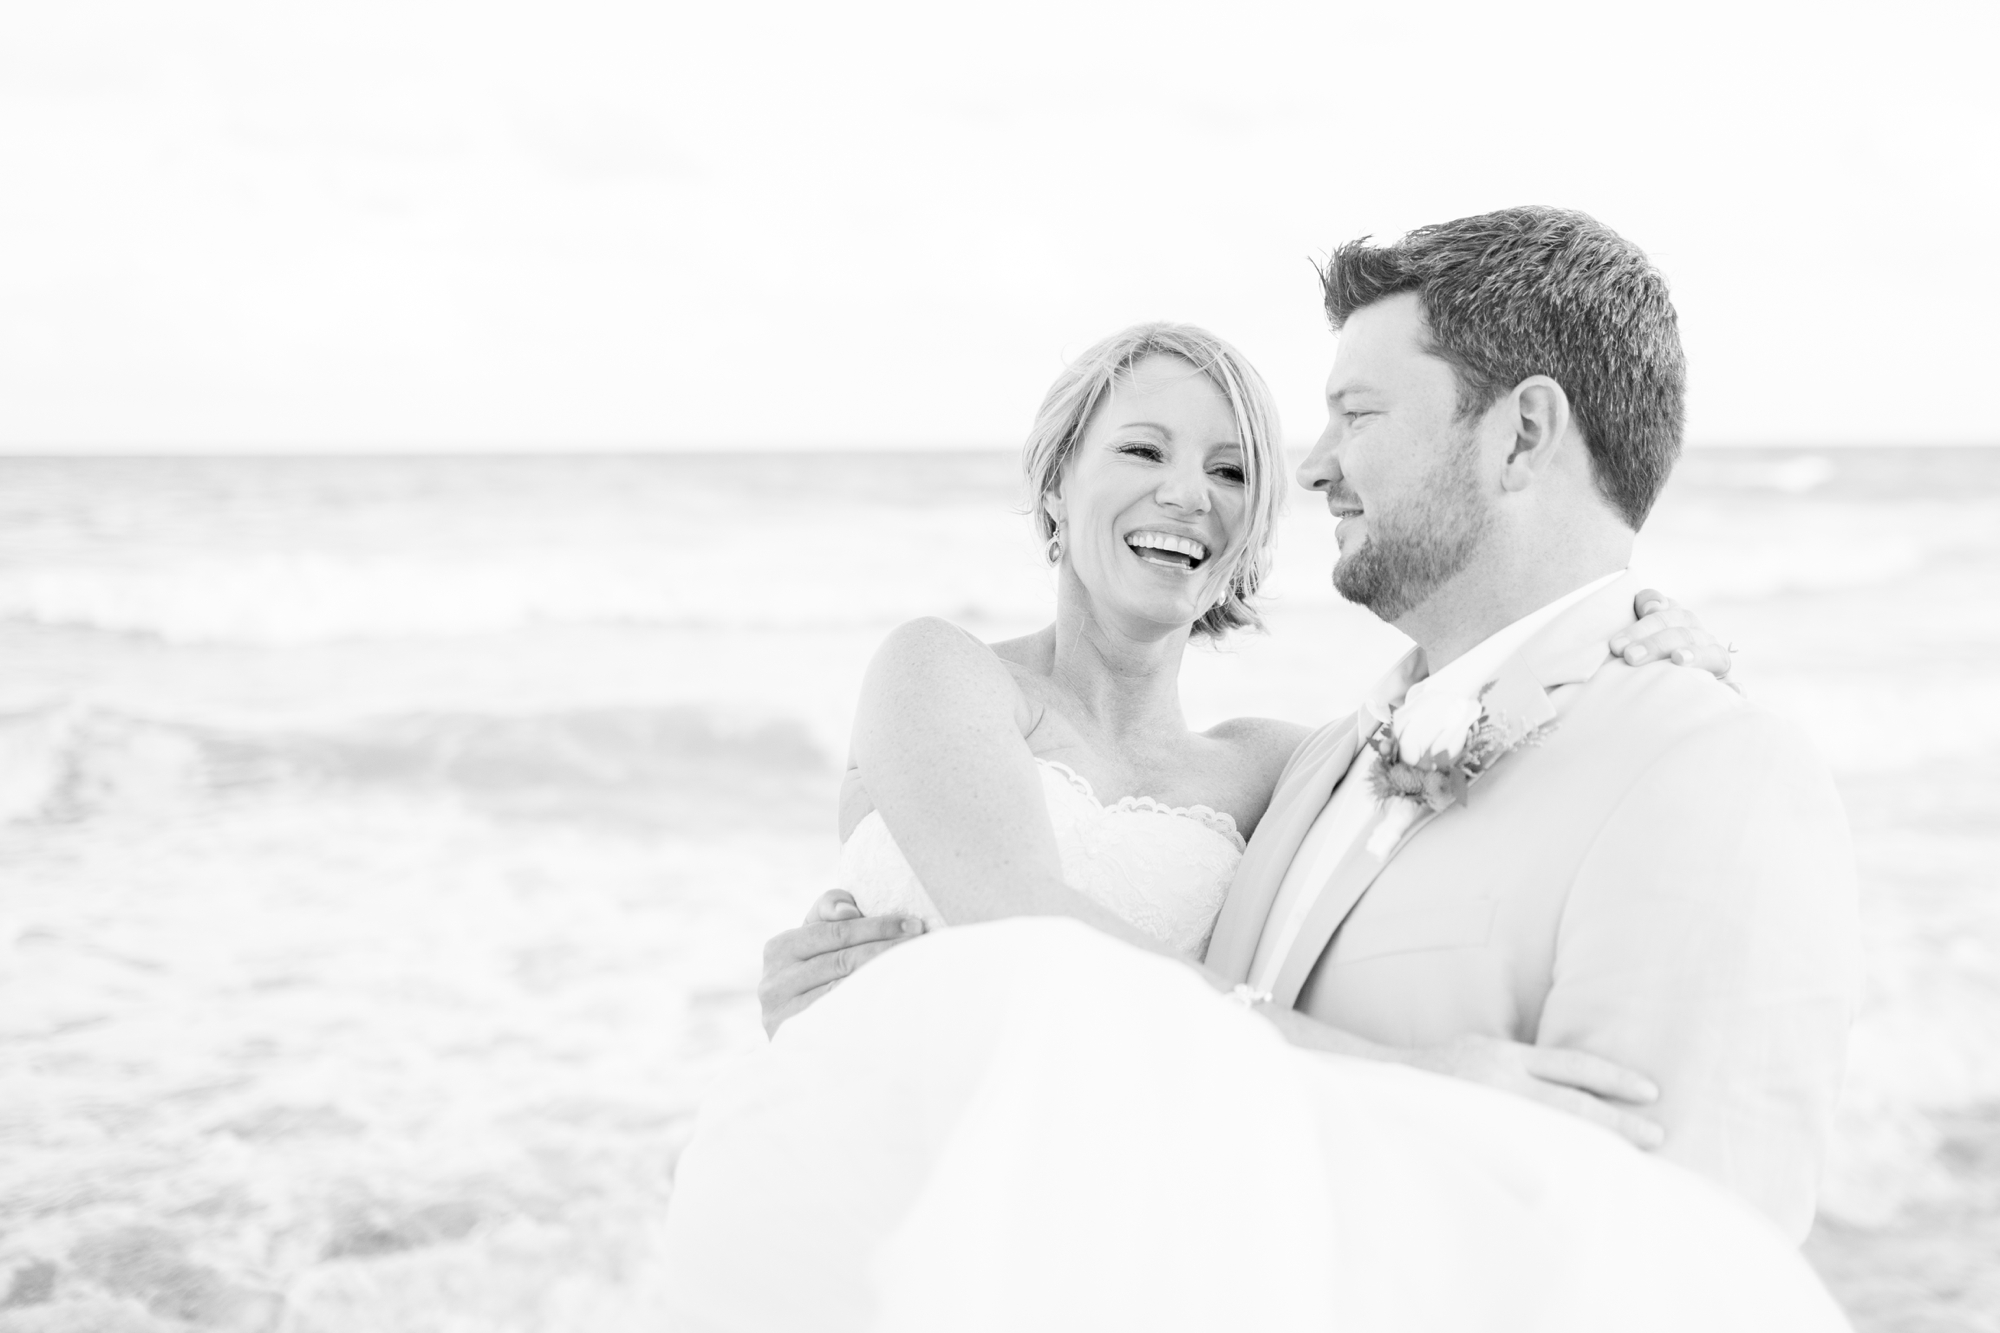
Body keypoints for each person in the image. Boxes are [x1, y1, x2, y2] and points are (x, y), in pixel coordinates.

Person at [666, 209, 1857, 1329]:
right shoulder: (957, 677)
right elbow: (1022, 937)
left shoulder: (1290, 766)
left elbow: (1689, 1230)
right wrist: (885, 1009)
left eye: (1239, 470)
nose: (1201, 488)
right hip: (906, 1210)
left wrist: (1640, 633)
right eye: (1141, 447)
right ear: (1053, 479)